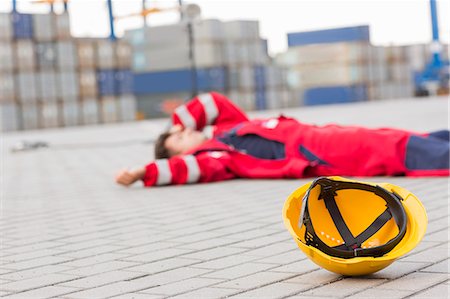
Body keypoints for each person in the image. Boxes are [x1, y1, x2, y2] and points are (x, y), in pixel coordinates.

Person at [115, 92, 450, 187]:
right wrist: (146, 171)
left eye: (183, 131)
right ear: (178, 155)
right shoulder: (216, 156)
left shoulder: (227, 130)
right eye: (179, 140)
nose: (187, 133)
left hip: (324, 134)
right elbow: (189, 169)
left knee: (402, 137)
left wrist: (175, 125)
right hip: (318, 151)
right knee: (392, 151)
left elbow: (212, 102)